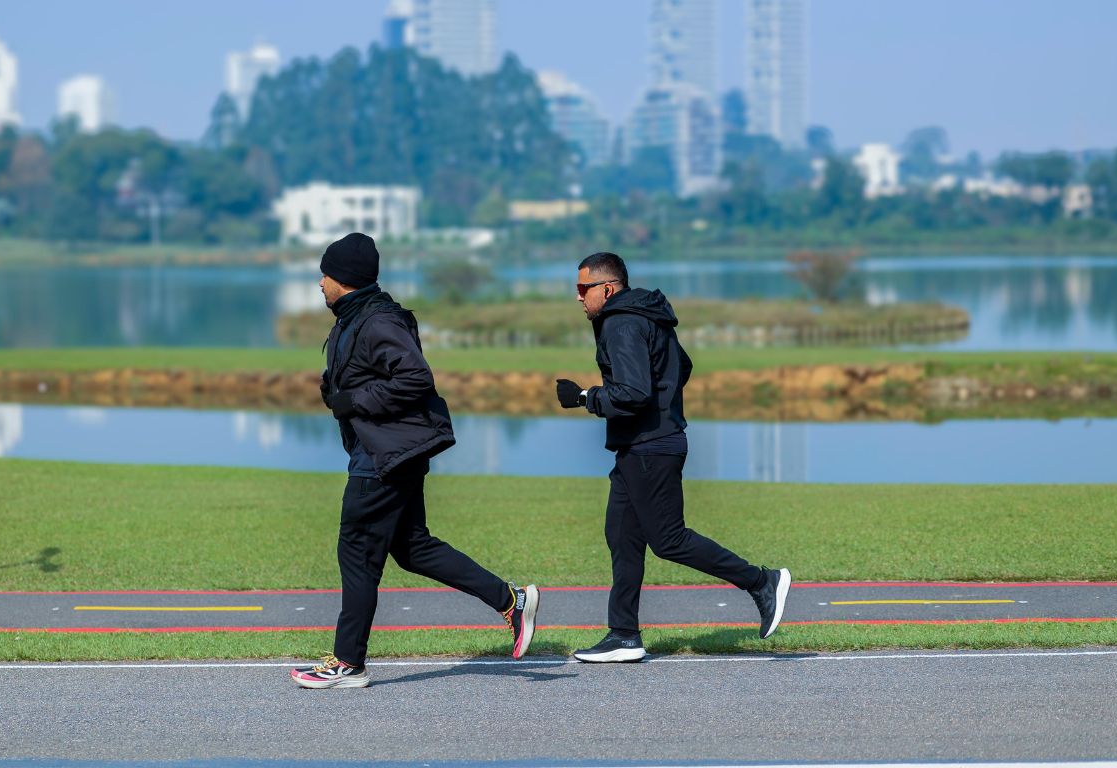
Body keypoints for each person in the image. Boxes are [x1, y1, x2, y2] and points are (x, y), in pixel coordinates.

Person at [291, 232, 540, 689]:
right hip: (387, 451)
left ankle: (348, 662)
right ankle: (511, 600)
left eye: (324, 275)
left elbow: (415, 378)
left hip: (382, 457)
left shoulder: (376, 320)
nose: (319, 284)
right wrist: (338, 393)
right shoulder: (355, 317)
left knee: (358, 551)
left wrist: (354, 401)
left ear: (342, 279)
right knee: (411, 547)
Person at [555, 251, 790, 663]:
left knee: (668, 540)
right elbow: (681, 366)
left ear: (607, 289)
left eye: (582, 289)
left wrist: (585, 397)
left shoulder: (620, 322)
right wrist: (663, 400)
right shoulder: (648, 315)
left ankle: (761, 581)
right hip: (644, 445)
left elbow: (633, 393)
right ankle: (624, 635)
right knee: (622, 536)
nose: (578, 298)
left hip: (651, 448)